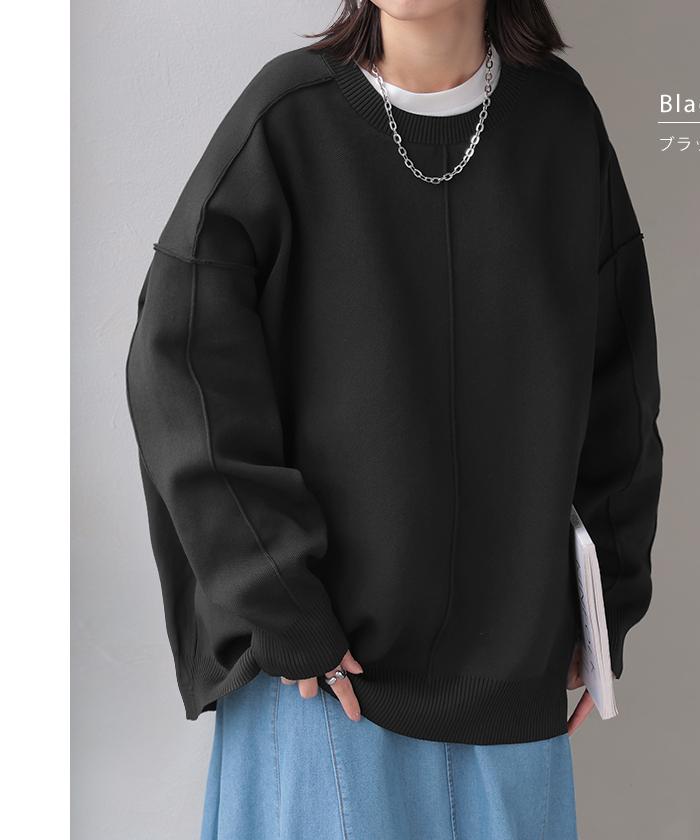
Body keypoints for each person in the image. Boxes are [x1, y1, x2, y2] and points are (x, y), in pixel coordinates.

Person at [124, 1, 664, 837]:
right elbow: (180, 367)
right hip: (324, 684)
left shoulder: (561, 124)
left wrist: (605, 606)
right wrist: (279, 598)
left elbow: (620, 383)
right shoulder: (288, 118)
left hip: (510, 684)